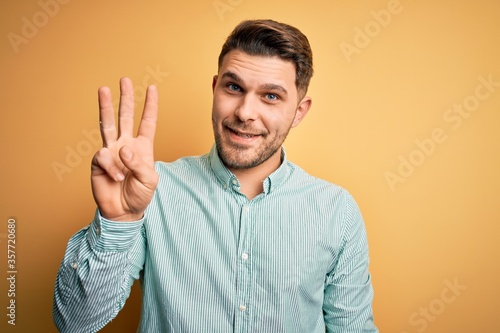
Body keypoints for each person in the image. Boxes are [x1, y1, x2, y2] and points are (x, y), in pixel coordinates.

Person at [53, 19, 378, 333]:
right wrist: (119, 220)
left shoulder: (337, 211)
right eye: (234, 87)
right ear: (215, 88)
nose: (244, 112)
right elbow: (74, 323)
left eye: (271, 96)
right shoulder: (152, 191)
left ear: (299, 112)